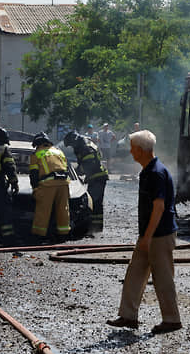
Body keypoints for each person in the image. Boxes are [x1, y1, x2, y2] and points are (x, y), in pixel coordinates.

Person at [107, 130, 181, 334]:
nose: (130, 152)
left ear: (140, 150)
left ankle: (172, 320)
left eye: (132, 148)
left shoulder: (156, 173)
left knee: (162, 276)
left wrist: (147, 237)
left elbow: (159, 208)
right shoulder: (148, 171)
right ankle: (128, 316)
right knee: (135, 272)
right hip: (149, 234)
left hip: (159, 234)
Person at [63, 130, 108, 232]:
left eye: (71, 145)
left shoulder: (84, 146)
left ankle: (93, 228)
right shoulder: (86, 142)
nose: (72, 147)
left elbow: (89, 164)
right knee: (97, 203)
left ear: (74, 140)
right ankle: (97, 227)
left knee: (93, 202)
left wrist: (77, 172)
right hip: (98, 176)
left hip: (97, 177)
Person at [29, 132, 70, 239]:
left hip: (47, 184)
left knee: (43, 210)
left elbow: (33, 174)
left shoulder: (36, 154)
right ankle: (63, 234)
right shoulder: (59, 152)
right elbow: (66, 167)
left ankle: (39, 235)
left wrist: (35, 188)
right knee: (63, 209)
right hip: (64, 183)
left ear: (37, 144)